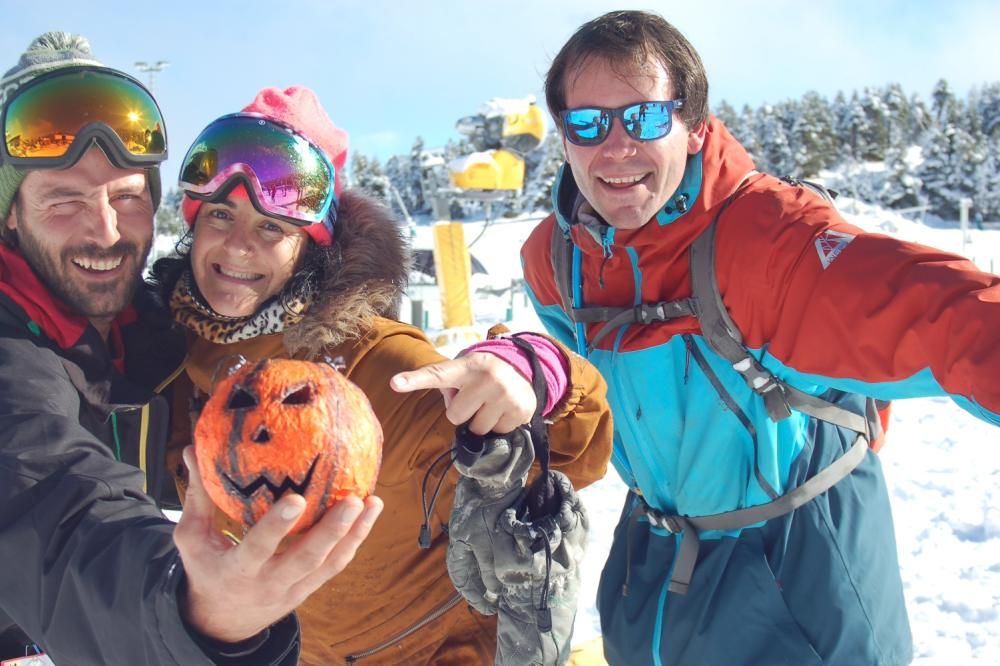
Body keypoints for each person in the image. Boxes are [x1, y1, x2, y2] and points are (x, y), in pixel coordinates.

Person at [520, 10, 1000, 666]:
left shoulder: (767, 244)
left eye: (643, 119)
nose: (615, 147)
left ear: (692, 127)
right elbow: (583, 393)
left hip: (796, 590)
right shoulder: (554, 262)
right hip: (652, 582)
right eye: (587, 124)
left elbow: (951, 316)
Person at [151, 84, 613, 664]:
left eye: (273, 228)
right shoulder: (179, 369)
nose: (238, 244)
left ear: (312, 248)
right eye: (221, 214)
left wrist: (535, 371)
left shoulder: (382, 368)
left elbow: (579, 451)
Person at [0, 32, 381, 665]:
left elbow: (283, 320)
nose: (105, 230)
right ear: (11, 215)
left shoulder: (152, 331)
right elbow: (52, 500)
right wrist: (186, 609)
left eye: (127, 197)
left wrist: (523, 362)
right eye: (64, 200)